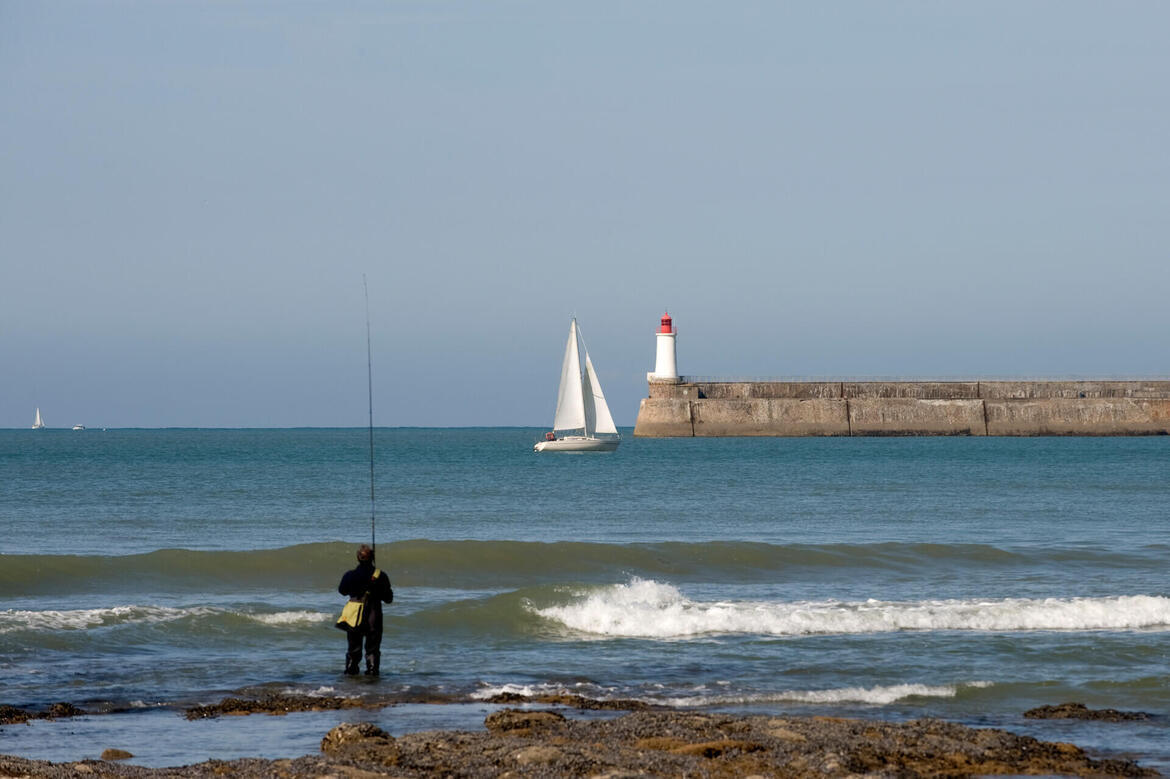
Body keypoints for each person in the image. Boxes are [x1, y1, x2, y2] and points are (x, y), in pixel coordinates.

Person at [337, 544, 393, 675]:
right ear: (372, 558)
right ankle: (372, 675)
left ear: (358, 558)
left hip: (354, 615)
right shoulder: (381, 575)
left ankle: (351, 675)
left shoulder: (349, 575)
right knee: (372, 648)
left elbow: (342, 591)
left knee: (353, 648)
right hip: (374, 615)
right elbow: (388, 599)